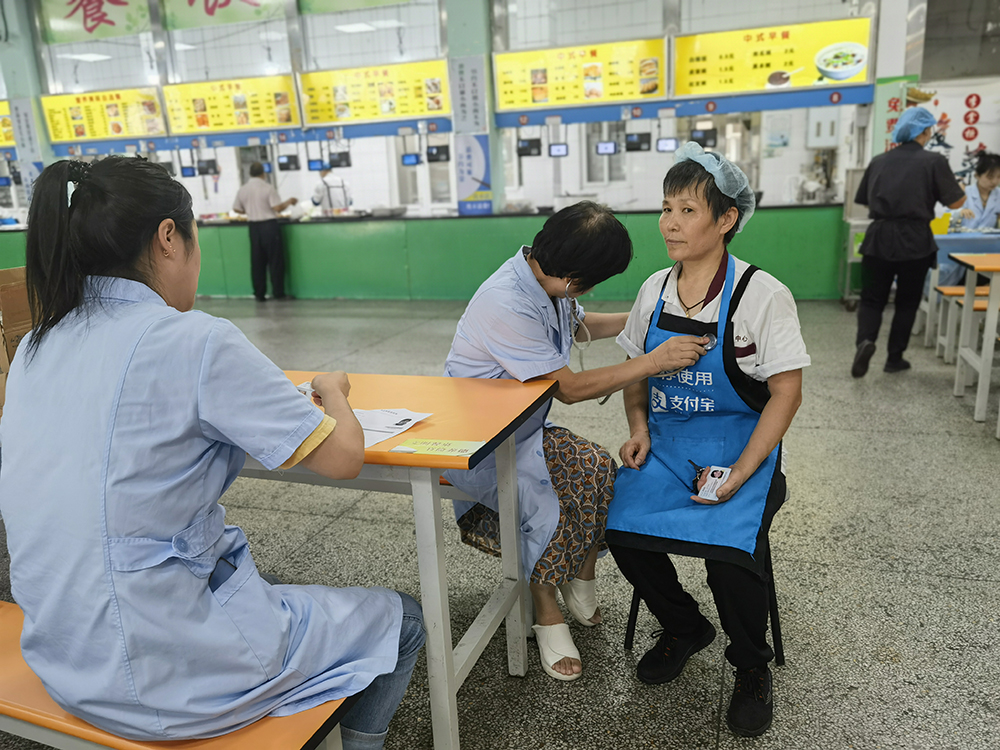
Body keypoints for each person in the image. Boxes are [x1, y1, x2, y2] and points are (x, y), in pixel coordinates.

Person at [0, 156, 423, 750]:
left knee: (249, 581)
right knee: (404, 618)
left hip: (62, 656)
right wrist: (335, 393)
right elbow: (343, 457)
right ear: (168, 238)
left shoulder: (35, 346)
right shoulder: (196, 339)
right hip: (164, 679)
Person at [442, 201, 707, 682]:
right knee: (553, 498)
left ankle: (580, 574)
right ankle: (544, 601)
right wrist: (655, 360)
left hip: (521, 430)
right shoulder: (505, 302)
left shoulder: (545, 280)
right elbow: (568, 388)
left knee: (599, 469)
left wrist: (644, 318)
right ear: (576, 278)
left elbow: (582, 325)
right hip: (482, 444)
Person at [607, 142, 810, 737]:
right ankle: (684, 626)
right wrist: (638, 429)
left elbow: (786, 393)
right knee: (619, 525)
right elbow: (635, 373)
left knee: (729, 550)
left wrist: (744, 470)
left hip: (744, 449)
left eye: (687, 210)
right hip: (669, 446)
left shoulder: (761, 295)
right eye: (665, 208)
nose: (670, 223)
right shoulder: (654, 290)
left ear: (727, 220)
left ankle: (750, 666)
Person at [851, 106, 966, 377]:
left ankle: (865, 341)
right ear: (924, 131)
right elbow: (956, 202)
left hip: (879, 237)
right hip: (915, 239)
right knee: (907, 301)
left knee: (871, 299)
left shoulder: (879, 161)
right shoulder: (934, 161)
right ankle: (894, 358)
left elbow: (865, 199)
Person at [232, 161, 297, 301]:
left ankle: (259, 294)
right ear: (263, 174)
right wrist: (289, 201)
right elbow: (277, 208)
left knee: (257, 262)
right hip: (269, 226)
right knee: (275, 261)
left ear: (250, 174)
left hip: (253, 228)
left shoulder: (243, 189)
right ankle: (278, 293)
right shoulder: (267, 188)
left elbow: (236, 208)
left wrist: (249, 210)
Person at [958, 151, 1000, 230]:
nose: (994, 181)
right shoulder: (964, 192)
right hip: (964, 236)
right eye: (990, 177)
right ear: (977, 175)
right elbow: (947, 214)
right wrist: (959, 212)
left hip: (990, 237)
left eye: (999, 177)